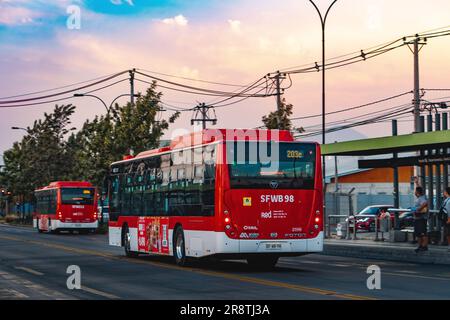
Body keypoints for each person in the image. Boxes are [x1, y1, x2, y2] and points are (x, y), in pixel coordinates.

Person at [413, 177, 429, 253]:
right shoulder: (421, 196)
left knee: (422, 232)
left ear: (417, 192)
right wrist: (417, 183)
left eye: (415, 191)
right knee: (418, 233)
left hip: (421, 218)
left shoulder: (421, 198)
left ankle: (424, 246)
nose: (414, 192)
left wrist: (418, 209)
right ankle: (420, 246)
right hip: (418, 218)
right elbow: (419, 189)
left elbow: (425, 203)